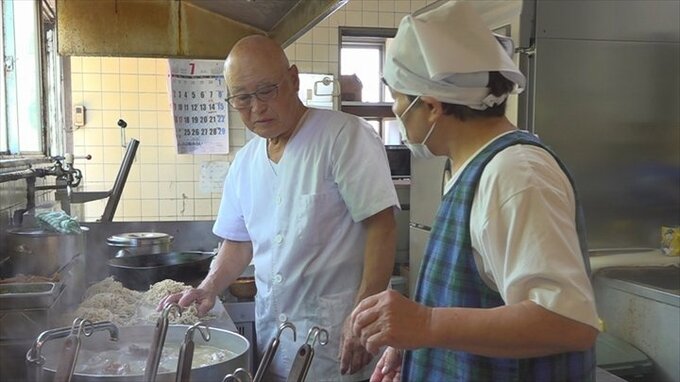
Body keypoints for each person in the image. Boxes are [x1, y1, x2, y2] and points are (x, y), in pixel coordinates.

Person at [349, 2, 600, 381]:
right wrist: (417, 345)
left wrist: (426, 324)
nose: (395, 108)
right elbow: (476, 303)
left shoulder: (516, 175)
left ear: (431, 107)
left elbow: (568, 323)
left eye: (399, 97)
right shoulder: (469, 166)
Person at [159, 35, 399, 381]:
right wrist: (209, 286)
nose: (256, 108)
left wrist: (364, 314)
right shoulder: (245, 162)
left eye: (267, 91)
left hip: (339, 338)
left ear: (294, 80)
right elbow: (238, 242)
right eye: (242, 98)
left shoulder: (343, 137)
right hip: (274, 342)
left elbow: (382, 226)